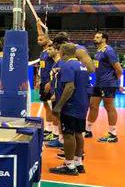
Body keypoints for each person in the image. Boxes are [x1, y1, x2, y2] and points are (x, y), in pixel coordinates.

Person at [49, 43, 89, 176]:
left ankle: (69, 165)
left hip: (70, 106)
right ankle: (78, 163)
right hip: (82, 104)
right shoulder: (82, 66)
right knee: (79, 133)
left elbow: (70, 87)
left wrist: (59, 105)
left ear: (62, 52)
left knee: (68, 134)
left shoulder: (67, 66)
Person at [86, 32, 122, 143]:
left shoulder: (108, 51)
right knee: (93, 105)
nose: (95, 38)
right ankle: (88, 130)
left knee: (109, 107)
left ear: (104, 39)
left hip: (108, 84)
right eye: (95, 37)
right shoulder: (99, 52)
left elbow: (118, 69)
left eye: (98, 37)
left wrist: (117, 83)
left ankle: (112, 134)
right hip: (99, 83)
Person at [36, 20, 55, 139]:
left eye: (41, 40)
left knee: (53, 107)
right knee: (46, 106)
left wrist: (50, 82)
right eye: (38, 40)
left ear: (48, 41)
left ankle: (55, 130)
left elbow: (56, 66)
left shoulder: (50, 50)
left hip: (50, 83)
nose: (38, 41)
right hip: (43, 82)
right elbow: (42, 35)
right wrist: (38, 25)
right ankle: (48, 129)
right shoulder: (43, 52)